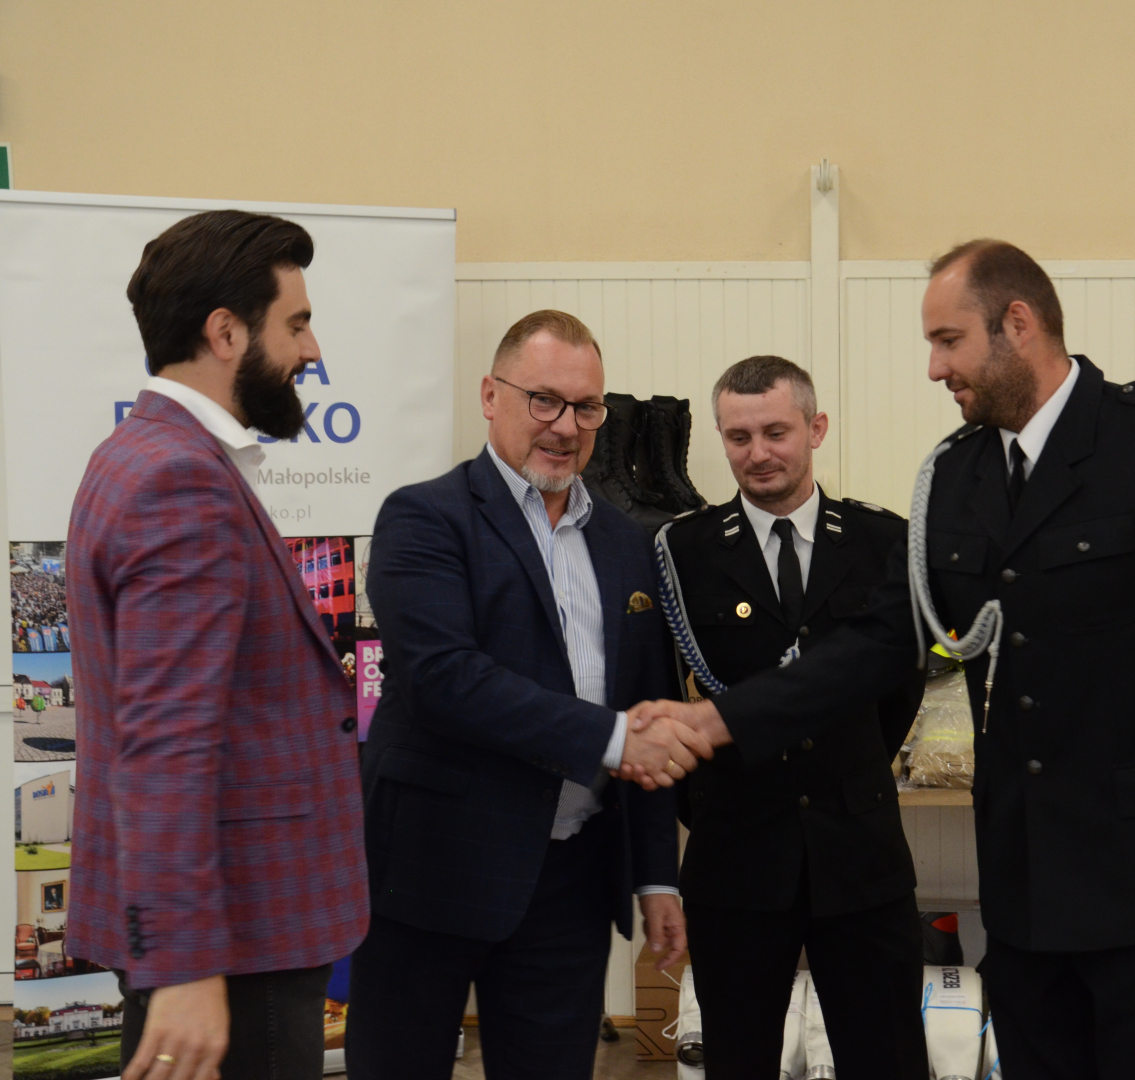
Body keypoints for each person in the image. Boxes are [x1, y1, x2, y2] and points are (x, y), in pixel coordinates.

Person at [631, 241, 1135, 1079]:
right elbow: (879, 641)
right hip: (1025, 897)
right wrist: (717, 719)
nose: (935, 368)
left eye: (948, 341)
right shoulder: (958, 474)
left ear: (1019, 324)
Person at [345, 310, 711, 1080]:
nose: (566, 427)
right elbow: (445, 681)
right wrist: (613, 739)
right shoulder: (424, 517)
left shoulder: (628, 544)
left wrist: (655, 876)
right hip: (431, 872)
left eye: (587, 407)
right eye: (544, 400)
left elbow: (647, 707)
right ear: (490, 395)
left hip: (570, 884)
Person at [65, 210, 367, 1080]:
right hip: (238, 936)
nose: (311, 350)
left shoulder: (138, 454)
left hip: (229, 930)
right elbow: (165, 742)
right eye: (297, 324)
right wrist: (186, 963)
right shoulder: (179, 479)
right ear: (226, 332)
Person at [659, 356, 929, 1080]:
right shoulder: (682, 550)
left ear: (816, 428)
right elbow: (666, 692)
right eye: (738, 437)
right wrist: (708, 805)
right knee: (738, 1061)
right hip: (736, 856)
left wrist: (850, 768)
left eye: (775, 432)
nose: (758, 453)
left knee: (887, 1058)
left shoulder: (883, 542)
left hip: (859, 854)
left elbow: (899, 688)